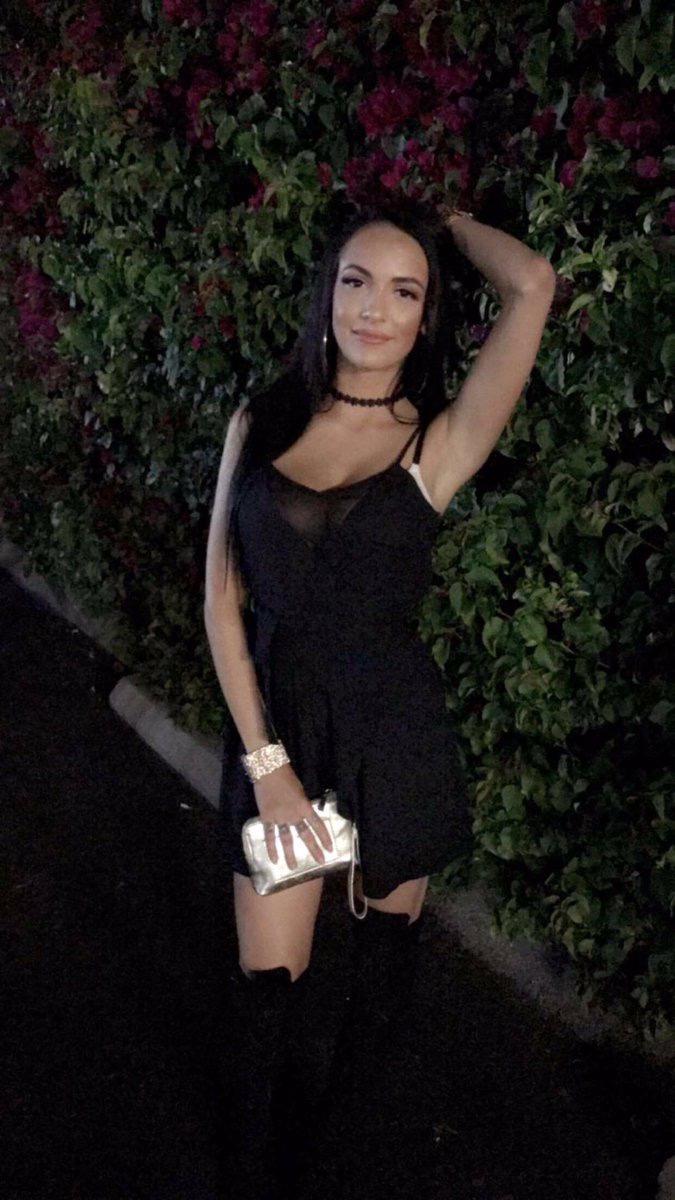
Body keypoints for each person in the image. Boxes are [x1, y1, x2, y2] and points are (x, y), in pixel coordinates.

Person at [203, 195, 556, 1197]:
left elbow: (532, 283)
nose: (374, 308)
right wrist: (268, 770)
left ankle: (338, 1155)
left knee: (380, 981)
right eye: (357, 281)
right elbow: (221, 603)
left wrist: (443, 222)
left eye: (405, 292)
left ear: (426, 316)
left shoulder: (439, 444)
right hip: (282, 744)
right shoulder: (261, 421)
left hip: (393, 743)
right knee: (270, 990)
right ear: (327, 294)